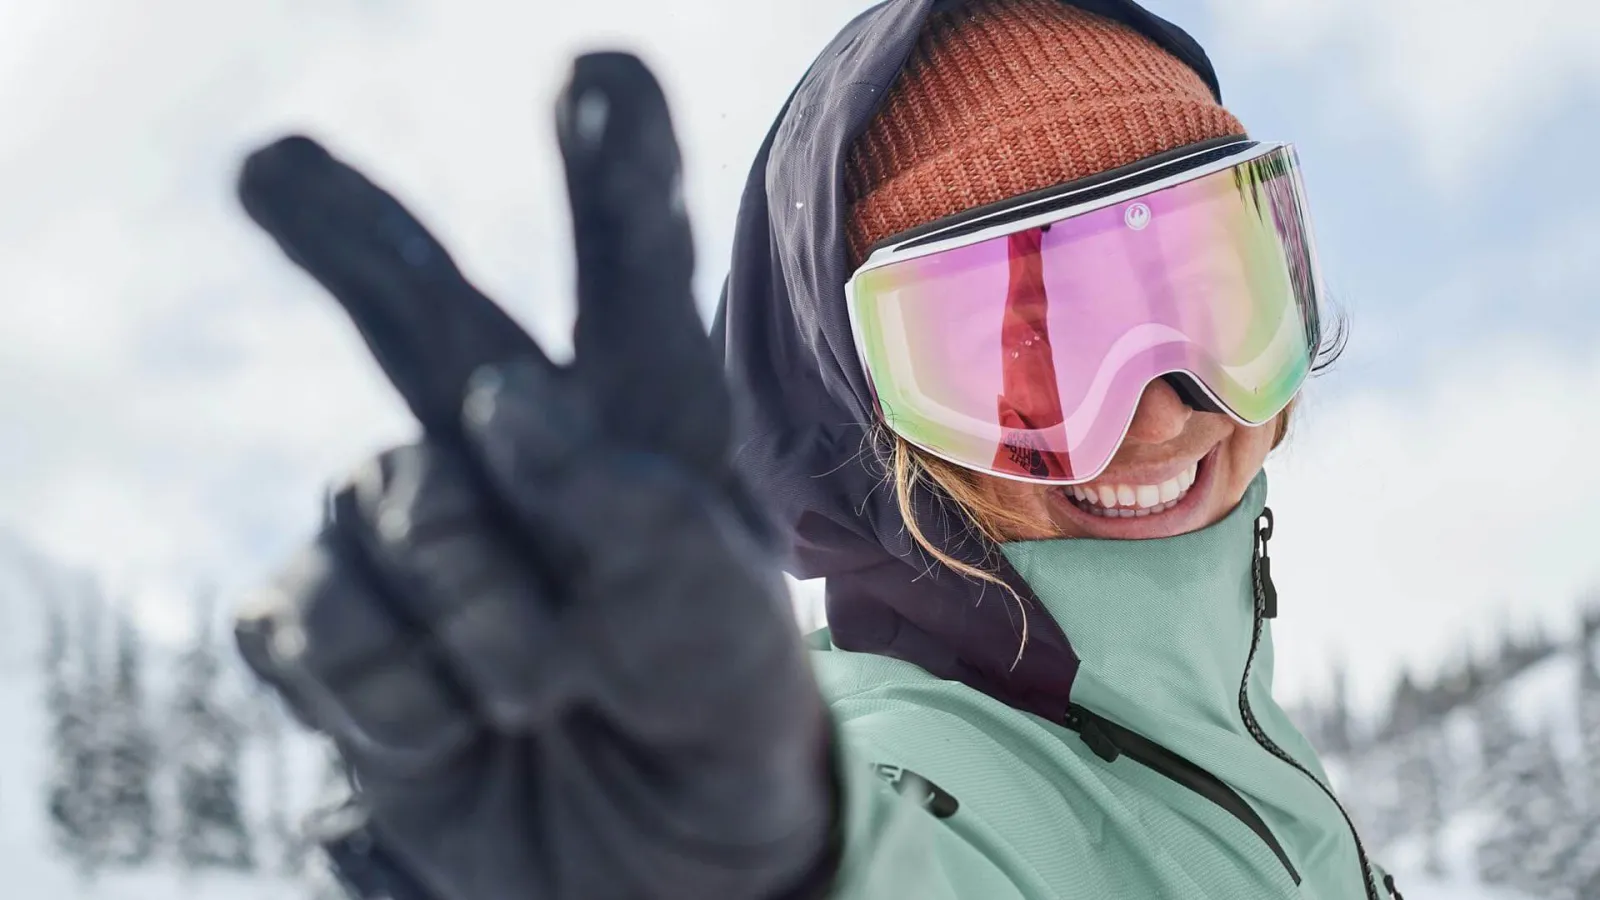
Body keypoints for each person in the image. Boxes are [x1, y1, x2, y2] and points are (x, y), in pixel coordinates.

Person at [232, 1, 1400, 898]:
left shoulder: (1217, 717)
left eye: (1206, 296)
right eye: (1026, 353)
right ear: (862, 417)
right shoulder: (895, 780)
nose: (1159, 412)